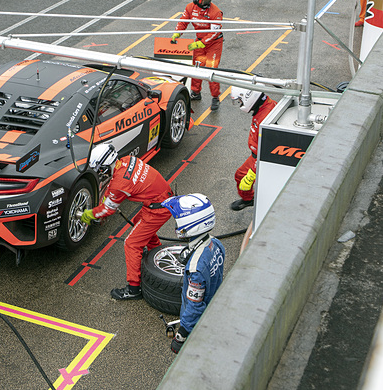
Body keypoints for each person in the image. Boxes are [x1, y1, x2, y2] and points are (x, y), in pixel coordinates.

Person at [80, 144, 174, 300]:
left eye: (100, 170)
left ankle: (134, 289)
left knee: (131, 243)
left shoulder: (120, 184)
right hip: (160, 199)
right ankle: (155, 250)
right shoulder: (127, 160)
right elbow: (114, 187)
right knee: (139, 223)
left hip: (158, 209)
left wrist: (90, 214)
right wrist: (106, 200)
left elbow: (108, 209)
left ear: (104, 167)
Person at [160, 193, 224, 354]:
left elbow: (195, 306)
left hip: (200, 322)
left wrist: (181, 334)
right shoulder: (216, 243)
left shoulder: (196, 268)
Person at [171, 0, 224, 111]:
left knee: (211, 69)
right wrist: (177, 32)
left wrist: (202, 43)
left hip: (214, 44)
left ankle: (215, 97)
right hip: (199, 42)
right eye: (202, 1)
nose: (205, 3)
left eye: (208, 0)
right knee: (197, 67)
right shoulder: (190, 8)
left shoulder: (216, 12)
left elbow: (215, 32)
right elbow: (183, 21)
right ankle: (195, 92)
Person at [228, 87, 277, 211]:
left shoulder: (265, 118)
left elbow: (267, 148)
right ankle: (248, 199)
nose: (240, 103)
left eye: (240, 100)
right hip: (257, 154)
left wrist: (252, 173)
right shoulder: (264, 106)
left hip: (262, 157)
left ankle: (254, 202)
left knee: (244, 178)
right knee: (239, 175)